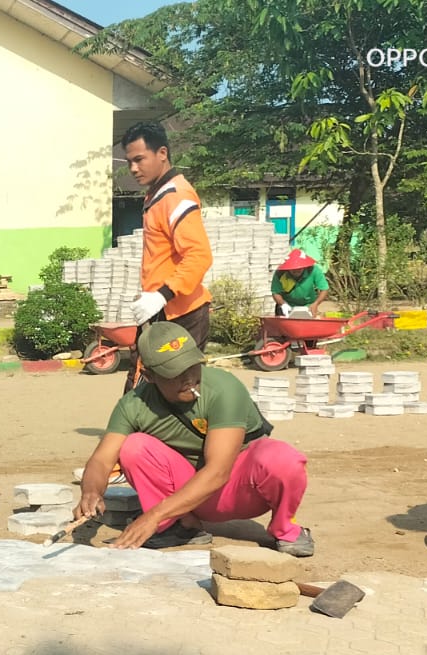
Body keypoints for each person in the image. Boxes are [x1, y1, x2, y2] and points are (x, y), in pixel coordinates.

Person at [75, 322, 315, 556]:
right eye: (175, 374)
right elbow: (101, 460)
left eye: (192, 366)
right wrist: (91, 492)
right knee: (134, 447)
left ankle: (286, 529)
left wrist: (154, 515)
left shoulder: (223, 389)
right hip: (186, 495)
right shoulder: (133, 405)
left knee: (283, 459)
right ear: (149, 375)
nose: (189, 378)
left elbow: (219, 472)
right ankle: (180, 526)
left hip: (241, 490)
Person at [121, 120, 215, 392]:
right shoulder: (157, 195)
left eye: (139, 159)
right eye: (129, 162)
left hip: (182, 313)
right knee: (146, 385)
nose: (133, 169)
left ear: (162, 153)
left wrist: (162, 294)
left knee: (179, 392)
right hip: (161, 311)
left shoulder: (176, 195)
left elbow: (199, 255)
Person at [271, 249, 331, 317]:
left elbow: (324, 289)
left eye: (299, 269)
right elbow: (275, 292)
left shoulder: (314, 270)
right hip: (287, 306)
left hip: (308, 306)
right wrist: (282, 304)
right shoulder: (280, 273)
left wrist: (316, 303)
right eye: (293, 269)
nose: (296, 271)